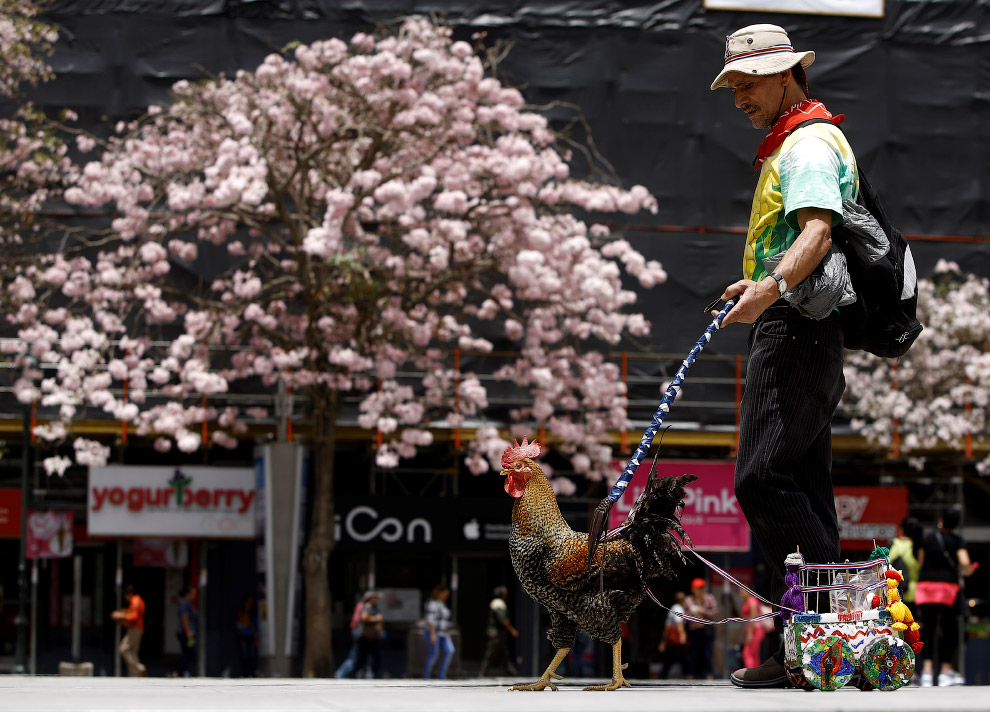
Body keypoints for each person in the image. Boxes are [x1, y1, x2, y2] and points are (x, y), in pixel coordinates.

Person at [708, 24, 855, 689]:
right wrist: (761, 281)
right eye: (732, 86)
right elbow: (803, 236)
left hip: (795, 331)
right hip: (803, 329)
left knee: (760, 478)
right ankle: (813, 652)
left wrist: (768, 289)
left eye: (747, 84)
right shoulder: (796, 143)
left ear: (789, 75)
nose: (738, 98)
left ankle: (832, 637)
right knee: (805, 490)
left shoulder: (809, 144)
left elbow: (819, 231)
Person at [916, 509, 979, 687]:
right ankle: (946, 670)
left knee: (928, 628)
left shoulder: (928, 539)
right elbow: (965, 563)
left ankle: (926, 671)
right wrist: (968, 571)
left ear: (941, 520)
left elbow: (921, 562)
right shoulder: (957, 540)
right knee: (949, 629)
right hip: (947, 589)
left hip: (926, 587)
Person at [478, 585, 518, 677]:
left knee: (504, 653)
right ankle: (483, 673)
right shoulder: (498, 603)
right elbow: (502, 619)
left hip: (499, 632)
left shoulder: (498, 602)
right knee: (491, 652)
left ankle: (511, 672)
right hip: (495, 632)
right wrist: (512, 630)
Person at [683, 578, 719, 680]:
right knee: (694, 652)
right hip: (694, 630)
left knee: (708, 652)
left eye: (702, 588)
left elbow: (715, 613)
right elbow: (683, 615)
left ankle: (709, 673)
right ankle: (693, 673)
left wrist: (703, 611)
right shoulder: (688, 600)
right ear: (693, 589)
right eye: (698, 588)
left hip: (707, 629)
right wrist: (690, 613)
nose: (700, 590)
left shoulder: (709, 598)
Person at [111, 584, 147, 677]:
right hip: (137, 628)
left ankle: (139, 668)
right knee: (133, 652)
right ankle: (134, 675)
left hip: (135, 629)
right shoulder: (137, 600)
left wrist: (120, 615)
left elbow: (134, 616)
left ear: (129, 594)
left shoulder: (135, 601)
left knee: (124, 649)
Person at [349, 591, 384, 678]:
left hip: (373, 637)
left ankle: (374, 675)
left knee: (375, 657)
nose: (376, 600)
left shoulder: (374, 607)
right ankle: (352, 675)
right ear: (370, 598)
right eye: (375, 598)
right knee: (360, 658)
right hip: (365, 637)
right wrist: (376, 618)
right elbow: (364, 618)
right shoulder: (367, 606)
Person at [422, 584, 454, 679]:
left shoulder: (442, 604)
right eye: (445, 594)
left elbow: (444, 620)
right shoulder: (432, 603)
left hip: (443, 633)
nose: (446, 596)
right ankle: (426, 676)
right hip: (433, 632)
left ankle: (442, 675)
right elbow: (430, 620)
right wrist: (432, 634)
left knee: (450, 651)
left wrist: (447, 632)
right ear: (439, 593)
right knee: (433, 654)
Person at [889, 516, 923, 604]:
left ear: (901, 529)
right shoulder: (918, 547)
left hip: (893, 594)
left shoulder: (892, 545)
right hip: (915, 594)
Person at [657, 591, 688, 679]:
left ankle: (662, 675)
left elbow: (667, 627)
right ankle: (687, 674)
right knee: (680, 656)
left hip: (671, 637)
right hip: (676, 637)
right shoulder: (678, 608)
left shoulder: (673, 608)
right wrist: (683, 634)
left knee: (673, 657)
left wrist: (663, 641)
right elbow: (678, 623)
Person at [334, 595, 366, 678]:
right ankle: (340, 674)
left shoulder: (360, 605)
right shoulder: (364, 606)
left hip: (357, 631)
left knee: (359, 655)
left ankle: (353, 674)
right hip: (359, 632)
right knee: (354, 656)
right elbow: (358, 620)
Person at [173, 585, 199, 677]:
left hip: (187, 632)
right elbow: (185, 617)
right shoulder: (185, 603)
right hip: (186, 633)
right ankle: (178, 672)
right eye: (193, 594)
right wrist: (188, 632)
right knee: (189, 652)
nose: (195, 596)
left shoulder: (187, 603)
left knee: (188, 652)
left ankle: (181, 671)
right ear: (188, 594)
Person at [740, 594, 767, 671]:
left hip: (756, 630)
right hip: (753, 630)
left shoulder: (752, 601)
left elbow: (753, 618)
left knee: (748, 653)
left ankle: (750, 672)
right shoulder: (749, 601)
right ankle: (755, 673)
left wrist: (750, 633)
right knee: (754, 654)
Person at [235, 593, 259, 677]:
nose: (250, 603)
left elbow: (254, 625)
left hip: (251, 636)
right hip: (243, 636)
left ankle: (252, 673)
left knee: (251, 655)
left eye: (251, 601)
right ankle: (244, 673)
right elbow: (244, 622)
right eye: (248, 601)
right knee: (244, 655)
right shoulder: (241, 610)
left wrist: (256, 636)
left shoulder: (254, 611)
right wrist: (246, 609)